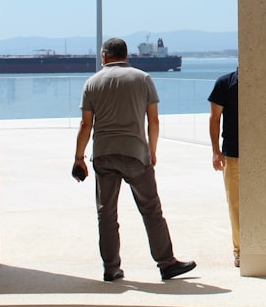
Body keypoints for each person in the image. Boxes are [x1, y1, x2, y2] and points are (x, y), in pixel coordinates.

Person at [73, 37, 196, 282]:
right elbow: (154, 120)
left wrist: (79, 158)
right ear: (127, 56)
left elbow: (86, 124)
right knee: (151, 210)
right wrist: (152, 150)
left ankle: (111, 269)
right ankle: (166, 263)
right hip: (135, 153)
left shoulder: (91, 82)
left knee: (106, 214)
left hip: (103, 154)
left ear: (104, 56)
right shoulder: (143, 79)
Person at [208, 68, 240, 267]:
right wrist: (215, 151)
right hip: (233, 154)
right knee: (235, 204)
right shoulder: (225, 82)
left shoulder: (265, 79)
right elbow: (214, 118)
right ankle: (240, 251)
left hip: (263, 154)